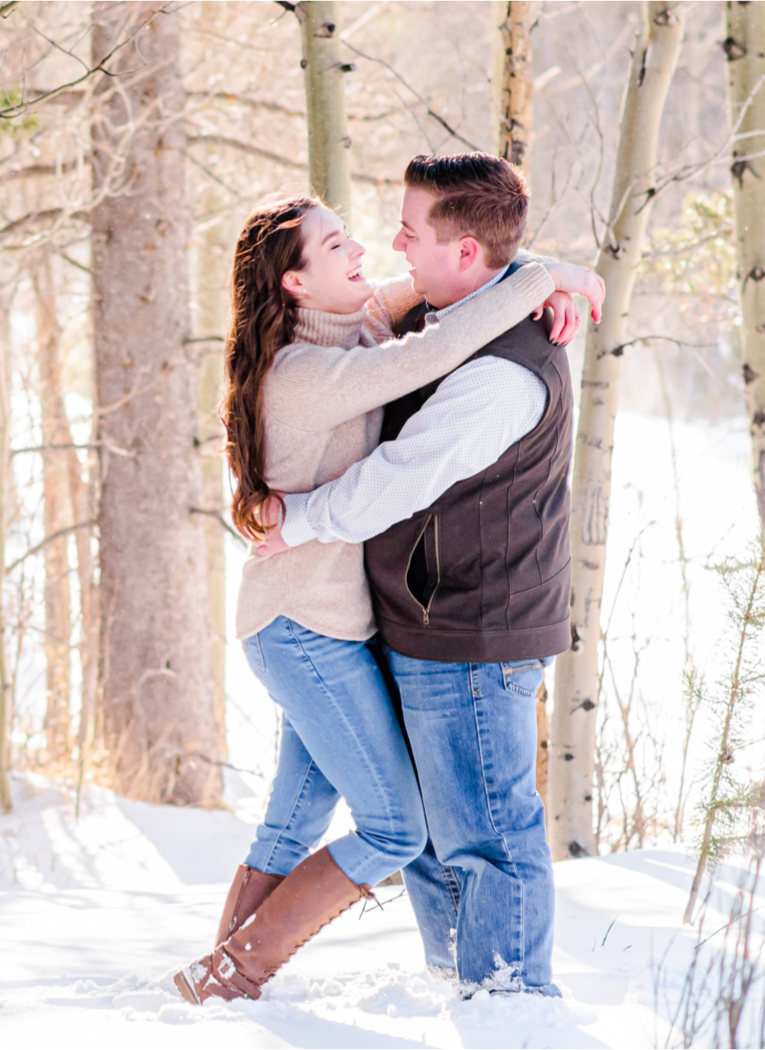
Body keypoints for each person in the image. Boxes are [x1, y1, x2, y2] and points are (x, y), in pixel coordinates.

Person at [172, 187, 602, 1005]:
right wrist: (542, 279)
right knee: (397, 828)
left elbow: (450, 282)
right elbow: (431, 351)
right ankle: (238, 970)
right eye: (337, 246)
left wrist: (551, 276)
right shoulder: (308, 372)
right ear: (295, 282)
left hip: (326, 627)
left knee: (295, 814)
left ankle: (218, 981)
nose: (366, 250)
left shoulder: (352, 325)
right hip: (301, 626)